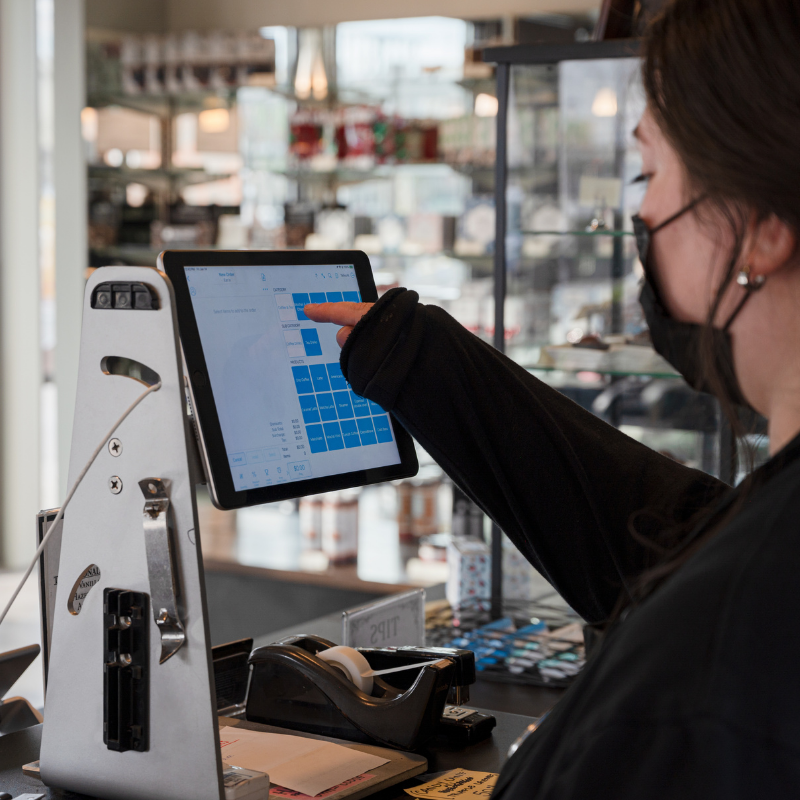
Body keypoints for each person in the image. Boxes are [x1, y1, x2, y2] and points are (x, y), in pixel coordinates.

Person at [306, 0, 800, 795]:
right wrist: (417, 359)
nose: (640, 210)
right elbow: (668, 540)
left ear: (763, 224)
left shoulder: (726, 645)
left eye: (652, 171)